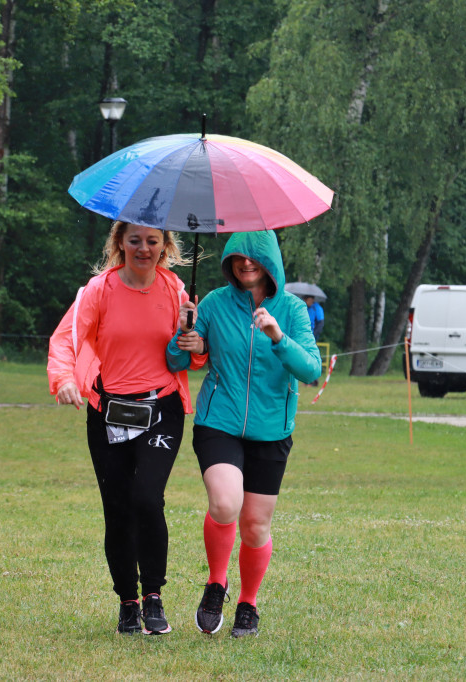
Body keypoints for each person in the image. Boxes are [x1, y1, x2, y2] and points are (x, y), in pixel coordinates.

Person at [47, 220, 204, 636]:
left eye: (153, 241)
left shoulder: (175, 291)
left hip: (161, 409)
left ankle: (153, 596)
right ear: (120, 243)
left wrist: (195, 342)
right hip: (107, 411)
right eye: (134, 240)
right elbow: (65, 339)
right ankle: (128, 603)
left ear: (165, 246)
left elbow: (193, 355)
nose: (144, 248)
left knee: (147, 499)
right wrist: (63, 378)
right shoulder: (99, 290)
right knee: (117, 509)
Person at [167, 230, 321, 638]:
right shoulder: (214, 303)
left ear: (271, 262)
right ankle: (216, 583)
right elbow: (176, 358)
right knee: (224, 503)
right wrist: (187, 335)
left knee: (255, 526)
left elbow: (311, 370)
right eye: (237, 257)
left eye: (254, 258)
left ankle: (248, 603)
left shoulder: (291, 309)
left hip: (273, 430)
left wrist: (277, 336)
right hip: (219, 421)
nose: (246, 264)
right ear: (229, 262)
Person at [303, 295, 324, 386]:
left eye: (312, 300)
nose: (310, 302)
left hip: (313, 336)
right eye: (308, 300)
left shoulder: (317, 308)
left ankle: (314, 381)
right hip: (303, 335)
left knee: (312, 357)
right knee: (303, 357)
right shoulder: (303, 307)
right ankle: (306, 380)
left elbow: (320, 323)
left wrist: (314, 336)